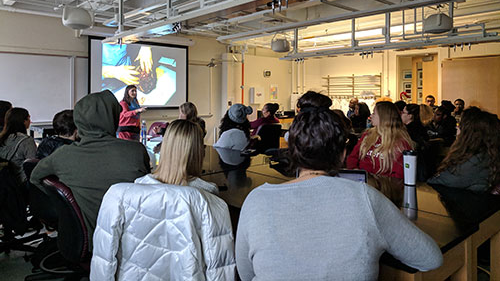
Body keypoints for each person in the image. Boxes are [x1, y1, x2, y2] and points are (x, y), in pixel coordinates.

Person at [235, 106, 442, 281]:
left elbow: (246, 274)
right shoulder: (366, 198)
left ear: (291, 151)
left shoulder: (256, 200)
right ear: (343, 153)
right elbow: (431, 258)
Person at [91, 119, 236, 281]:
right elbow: (220, 266)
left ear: (164, 148)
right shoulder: (210, 201)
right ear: (199, 152)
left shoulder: (120, 195)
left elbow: (103, 259)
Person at [31, 90, 151, 249]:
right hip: (132, 242)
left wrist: (65, 209)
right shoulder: (136, 151)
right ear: (113, 118)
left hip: (86, 240)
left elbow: (34, 178)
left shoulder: (62, 155)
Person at [428, 107, 500, 192]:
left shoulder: (470, 164)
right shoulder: (490, 155)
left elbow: (436, 182)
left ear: (469, 134)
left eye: (460, 126)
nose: (457, 129)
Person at [347, 101, 413, 179]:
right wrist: (356, 172)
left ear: (384, 117)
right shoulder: (368, 134)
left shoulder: (400, 142)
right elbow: (353, 157)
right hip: (362, 183)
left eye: (374, 113)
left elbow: (399, 174)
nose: (371, 116)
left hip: (385, 187)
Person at [0, 107, 37, 186]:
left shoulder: (2, 138)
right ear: (23, 121)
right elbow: (32, 165)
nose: (30, 121)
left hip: (4, 182)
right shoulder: (27, 141)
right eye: (28, 118)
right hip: (21, 183)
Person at [401, 104, 430, 180]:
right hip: (423, 167)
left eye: (403, 112)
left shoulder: (408, 131)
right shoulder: (421, 127)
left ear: (410, 116)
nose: (401, 114)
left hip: (413, 166)